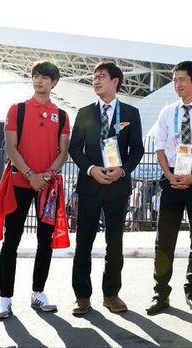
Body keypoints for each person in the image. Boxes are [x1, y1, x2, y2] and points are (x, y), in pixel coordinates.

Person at [0, 61, 70, 319]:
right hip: (19, 183)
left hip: (47, 186)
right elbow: (11, 149)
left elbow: (63, 153)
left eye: (45, 77)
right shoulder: (18, 109)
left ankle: (38, 292)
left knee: (44, 241)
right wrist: (29, 174)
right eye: (36, 76)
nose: (39, 81)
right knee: (11, 240)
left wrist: (46, 176)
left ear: (54, 82)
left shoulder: (62, 115)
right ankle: (5, 298)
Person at [145, 60, 192, 315]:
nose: (177, 84)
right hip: (171, 179)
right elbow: (159, 145)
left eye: (182, 79)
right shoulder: (168, 112)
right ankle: (160, 294)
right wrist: (168, 174)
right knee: (164, 241)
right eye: (174, 80)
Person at [69, 61, 144, 315]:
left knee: (115, 242)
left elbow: (137, 149)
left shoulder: (131, 114)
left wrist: (122, 170)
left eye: (101, 77)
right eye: (94, 77)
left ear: (115, 81)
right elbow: (74, 148)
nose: (96, 81)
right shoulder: (84, 112)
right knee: (84, 243)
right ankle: (82, 296)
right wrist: (91, 169)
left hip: (117, 186)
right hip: (90, 185)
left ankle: (111, 294)